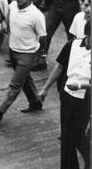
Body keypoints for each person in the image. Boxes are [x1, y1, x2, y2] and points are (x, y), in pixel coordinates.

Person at [0, 0, 46, 122]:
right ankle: (35, 102)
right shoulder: (12, 6)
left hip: (27, 54)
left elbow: (43, 37)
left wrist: (41, 56)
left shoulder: (36, 15)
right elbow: (5, 18)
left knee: (15, 84)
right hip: (13, 52)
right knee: (25, 80)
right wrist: (4, 24)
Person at [38, 21, 90, 169]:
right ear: (87, 35)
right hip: (67, 95)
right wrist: (45, 88)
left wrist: (80, 86)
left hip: (86, 99)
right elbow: (59, 67)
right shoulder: (72, 45)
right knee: (66, 137)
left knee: (77, 136)